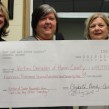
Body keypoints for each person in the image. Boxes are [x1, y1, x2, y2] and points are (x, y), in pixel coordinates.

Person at [18, 4, 72, 109]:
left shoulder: (62, 45)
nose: (48, 22)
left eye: (51, 18)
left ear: (56, 23)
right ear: (35, 23)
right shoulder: (23, 45)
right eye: (43, 18)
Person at [80, 13, 109, 109]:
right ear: (88, 31)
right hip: (88, 101)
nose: (97, 28)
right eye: (92, 26)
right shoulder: (79, 53)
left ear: (108, 29)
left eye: (101, 25)